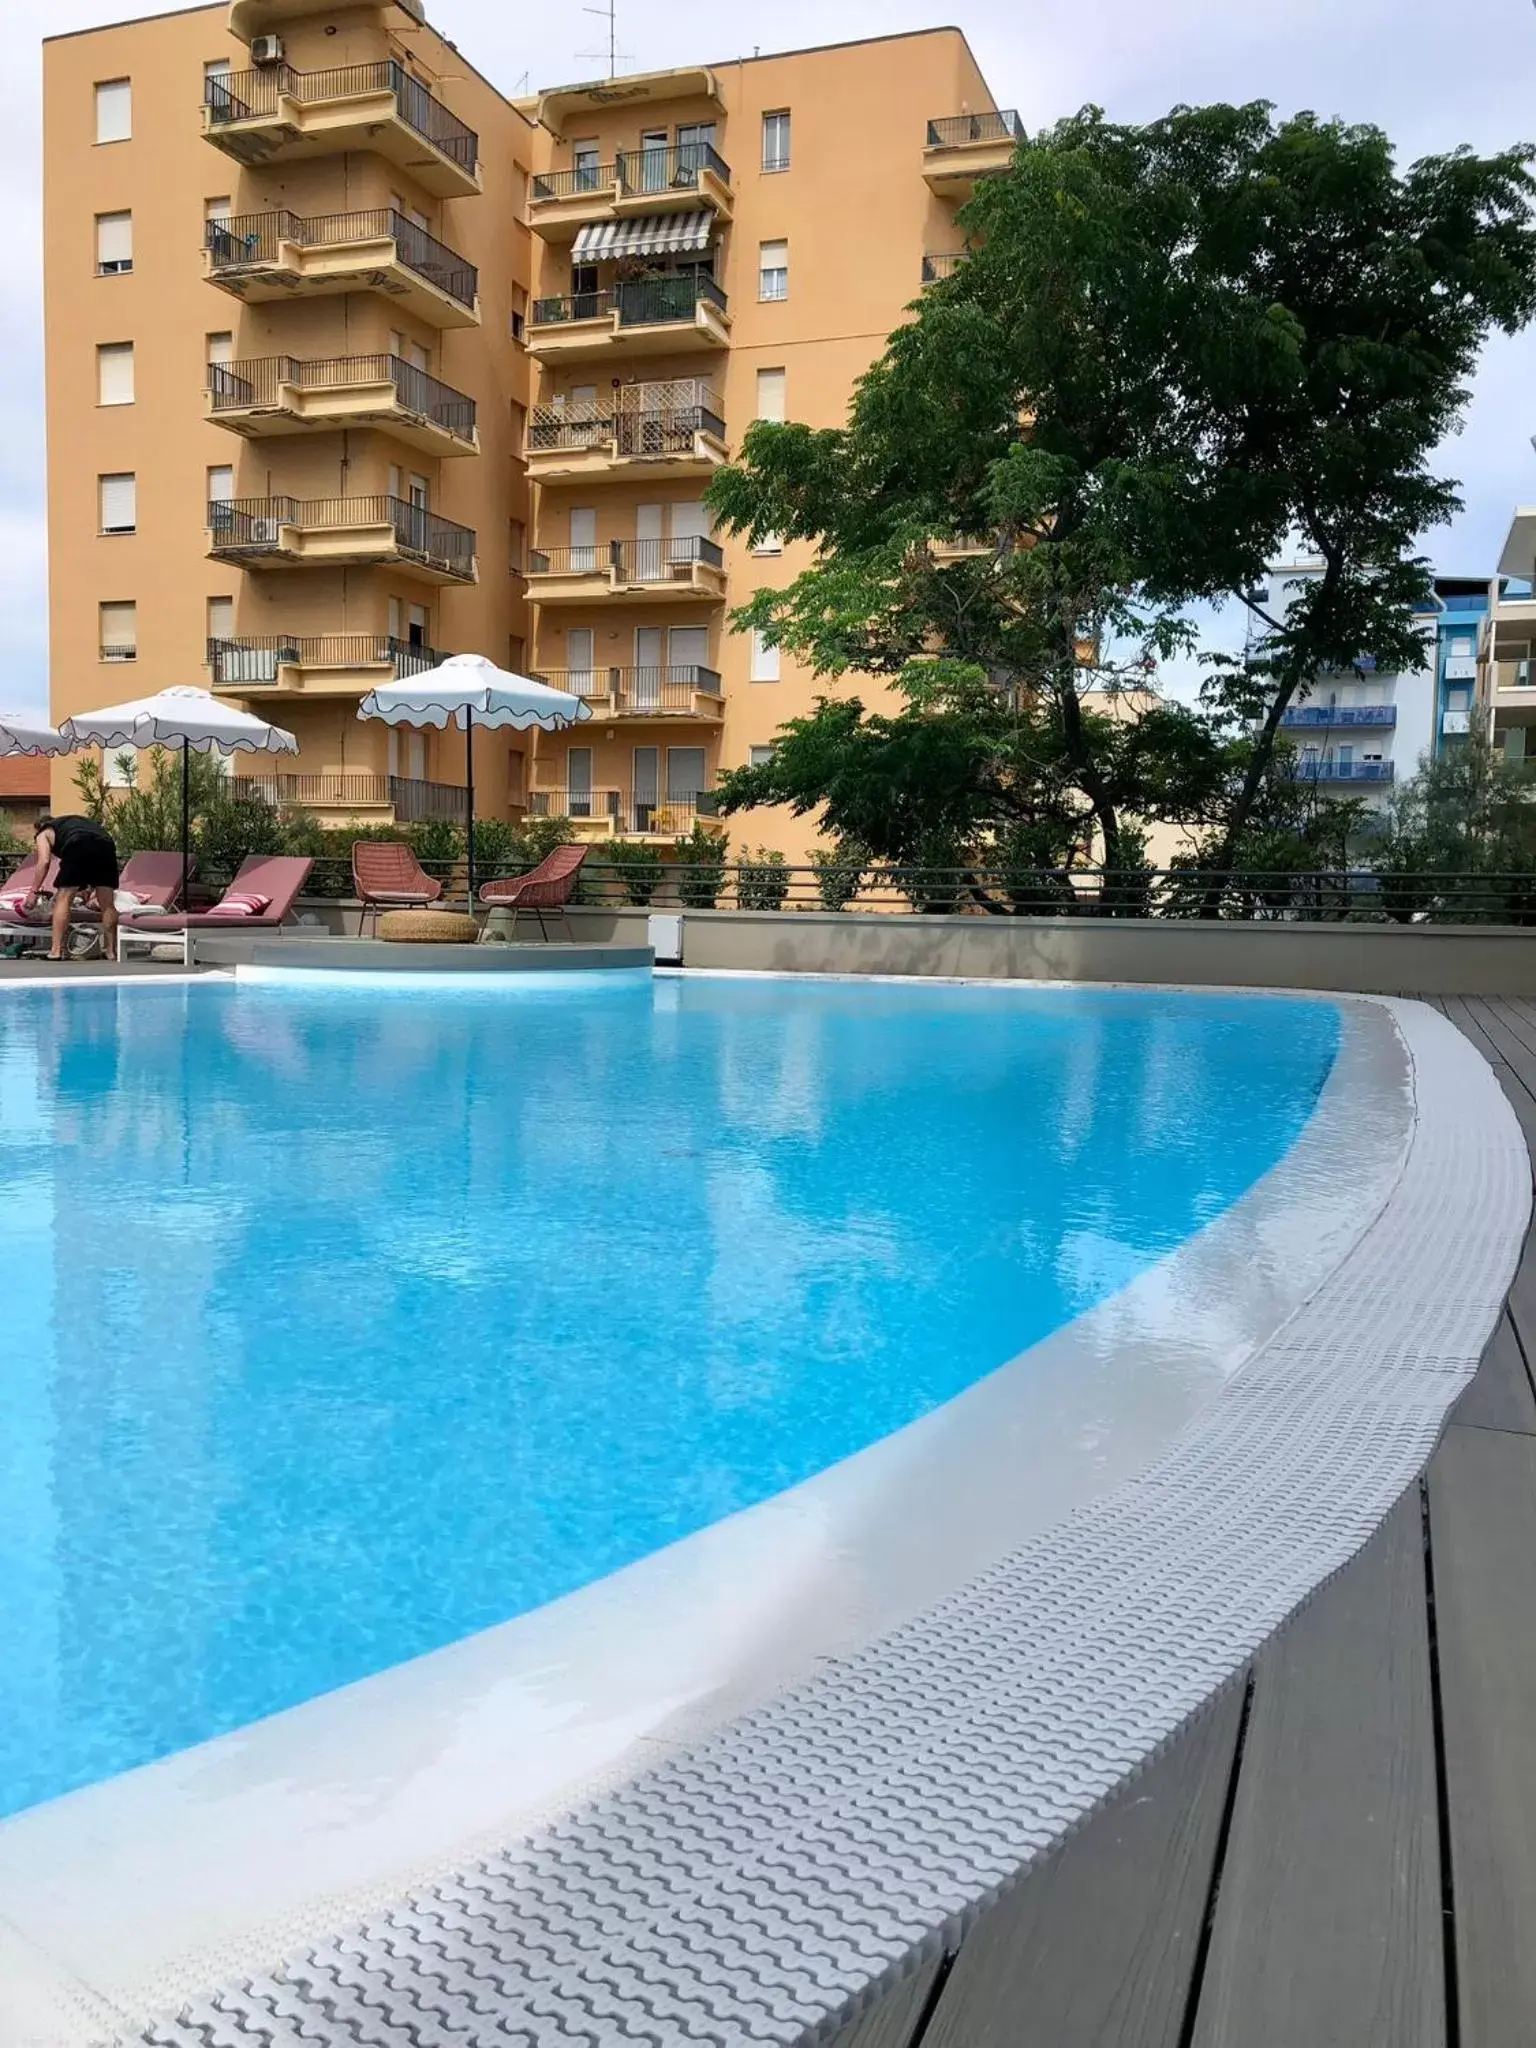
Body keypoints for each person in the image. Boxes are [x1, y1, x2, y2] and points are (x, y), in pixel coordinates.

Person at [24, 814, 120, 963]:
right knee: (107, 903)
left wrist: (33, 892)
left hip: (77, 843)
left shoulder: (43, 832)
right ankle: (111, 951)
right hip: (105, 844)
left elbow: (44, 861)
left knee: (64, 898)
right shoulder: (72, 822)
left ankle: (56, 951)